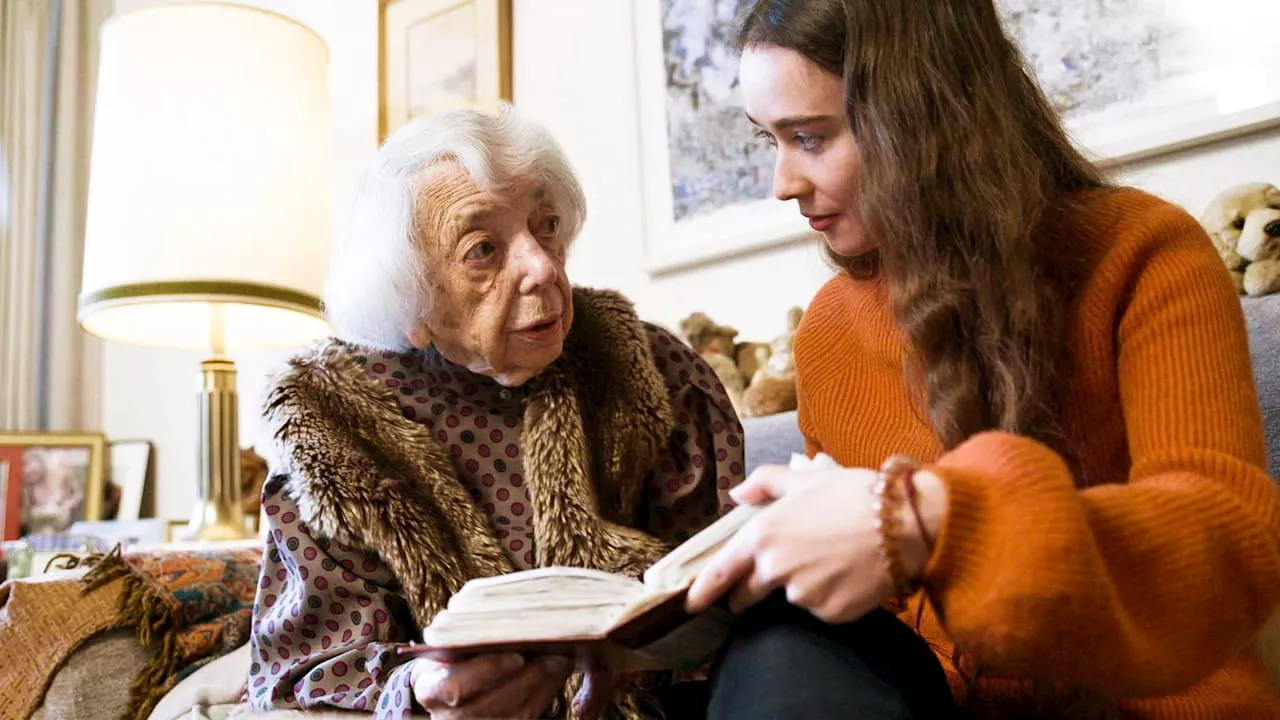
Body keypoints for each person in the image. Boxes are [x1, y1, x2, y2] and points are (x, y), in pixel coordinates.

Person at [683, 1, 1280, 718]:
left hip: (1148, 704)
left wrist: (934, 520)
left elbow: (1222, 545)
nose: (782, 182)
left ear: (922, 117)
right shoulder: (828, 334)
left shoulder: (1143, 255)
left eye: (809, 138)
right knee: (780, 645)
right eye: (768, 142)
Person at [249, 107, 744, 719]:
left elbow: (729, 588)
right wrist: (419, 697)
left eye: (548, 226)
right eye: (482, 248)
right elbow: (302, 672)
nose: (541, 267)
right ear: (410, 294)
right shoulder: (328, 426)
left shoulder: (653, 370)